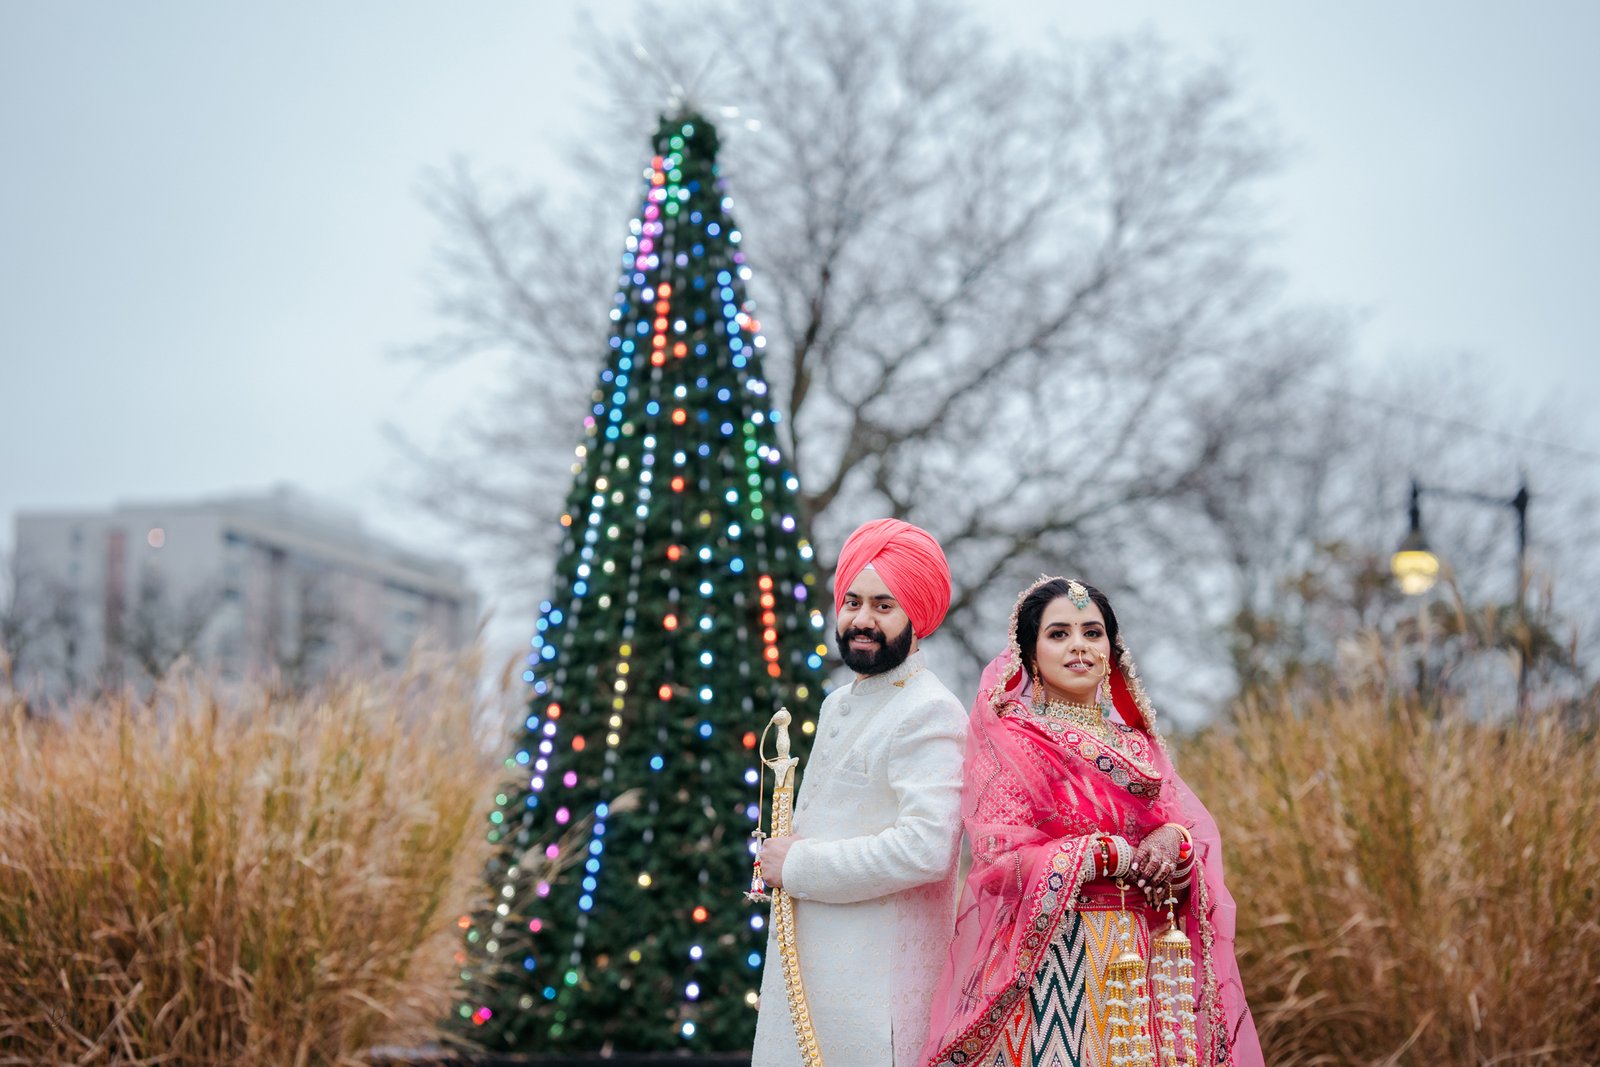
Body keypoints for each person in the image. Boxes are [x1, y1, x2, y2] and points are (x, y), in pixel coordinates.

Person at [922, 577, 1262, 1067]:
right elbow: (1000, 863)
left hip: (1142, 970)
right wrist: (1105, 855)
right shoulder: (1014, 741)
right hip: (1050, 963)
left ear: (1111, 649)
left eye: (1092, 632)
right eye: (1059, 634)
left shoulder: (1138, 746)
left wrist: (1173, 845)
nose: (1079, 646)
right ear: (1030, 655)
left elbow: (1187, 840)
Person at [752, 519, 969, 1066]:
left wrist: (797, 865)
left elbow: (926, 848)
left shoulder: (930, 710)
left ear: (915, 615)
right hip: (808, 977)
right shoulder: (835, 703)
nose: (862, 620)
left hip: (872, 998)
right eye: (852, 602)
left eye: (883, 605)